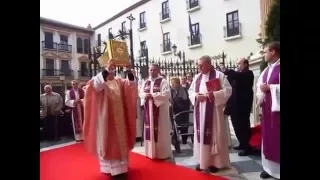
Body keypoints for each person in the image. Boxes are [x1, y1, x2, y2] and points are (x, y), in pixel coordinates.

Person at [83, 59, 137, 179]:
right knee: (109, 142)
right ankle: (110, 169)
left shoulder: (118, 81)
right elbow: (95, 87)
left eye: (113, 68)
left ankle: (122, 168)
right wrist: (107, 70)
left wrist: (128, 71)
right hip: (106, 119)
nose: (111, 71)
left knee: (120, 141)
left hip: (120, 118)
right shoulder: (98, 80)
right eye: (109, 68)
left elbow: (131, 85)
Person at [188, 55, 232, 173]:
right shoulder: (197, 78)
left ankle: (215, 163)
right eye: (198, 65)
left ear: (208, 64)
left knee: (214, 136)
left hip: (213, 113)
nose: (198, 67)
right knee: (201, 136)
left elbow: (228, 90)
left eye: (201, 65)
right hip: (200, 111)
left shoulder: (219, 75)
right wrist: (197, 96)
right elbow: (191, 91)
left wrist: (213, 95)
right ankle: (203, 162)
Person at [256, 41, 280, 180]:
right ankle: (268, 168)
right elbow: (259, 85)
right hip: (267, 110)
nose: (263, 55)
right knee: (267, 138)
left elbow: (268, 87)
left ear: (273, 52)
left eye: (265, 51)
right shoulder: (267, 69)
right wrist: (262, 93)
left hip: (278, 113)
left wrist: (271, 88)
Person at [139, 64, 172, 160]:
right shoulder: (146, 82)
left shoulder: (163, 81)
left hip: (160, 112)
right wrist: (145, 95)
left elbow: (166, 94)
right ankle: (150, 152)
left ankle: (162, 153)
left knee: (160, 131)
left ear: (158, 70)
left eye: (154, 70)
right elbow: (140, 93)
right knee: (150, 130)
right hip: (148, 111)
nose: (152, 72)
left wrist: (152, 96)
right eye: (150, 70)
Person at [224, 58, 254, 156]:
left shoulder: (248, 74)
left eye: (239, 63)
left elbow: (236, 75)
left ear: (245, 64)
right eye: (237, 64)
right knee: (236, 125)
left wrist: (227, 70)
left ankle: (247, 147)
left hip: (243, 106)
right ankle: (242, 143)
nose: (237, 65)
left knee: (243, 126)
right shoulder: (237, 75)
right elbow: (229, 82)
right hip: (234, 105)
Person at [170, 77, 190, 144]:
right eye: (171, 83)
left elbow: (186, 100)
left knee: (184, 125)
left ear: (178, 83)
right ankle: (175, 139)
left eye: (174, 83)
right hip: (175, 110)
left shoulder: (183, 89)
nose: (172, 85)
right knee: (175, 125)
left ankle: (184, 139)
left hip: (183, 110)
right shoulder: (171, 90)